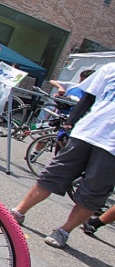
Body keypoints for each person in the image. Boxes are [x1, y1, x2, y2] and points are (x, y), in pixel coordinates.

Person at [10, 62, 115, 248]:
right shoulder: (110, 68)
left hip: (112, 148)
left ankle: (64, 231)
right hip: (86, 132)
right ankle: (19, 211)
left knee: (93, 192)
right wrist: (69, 124)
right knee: (52, 174)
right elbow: (88, 98)